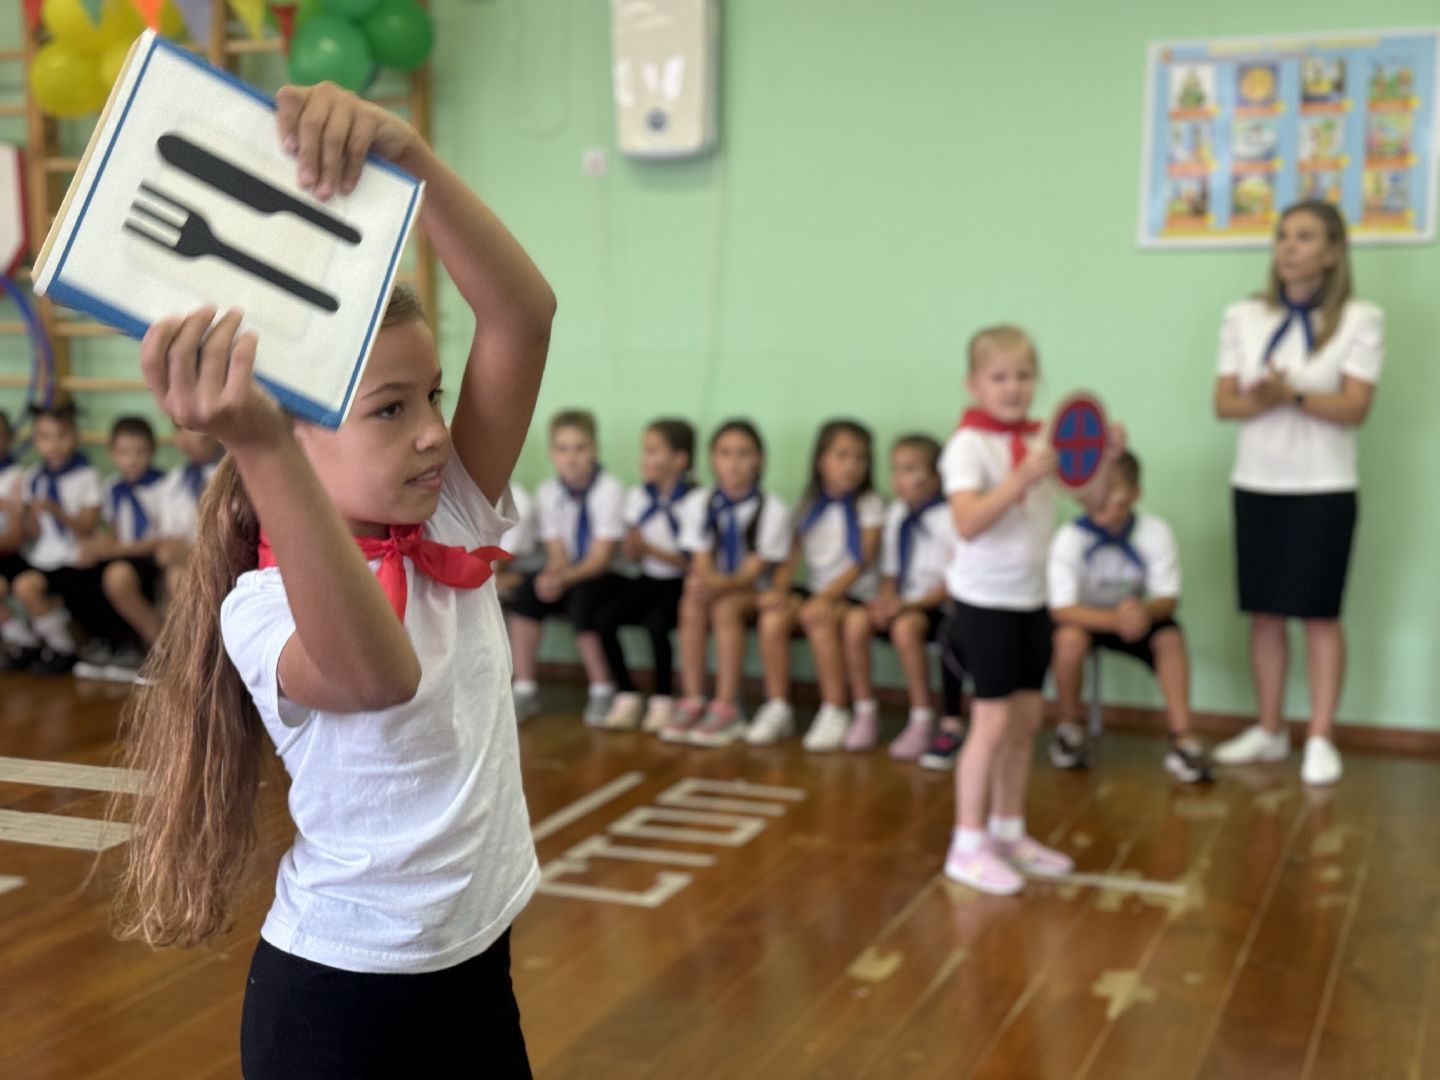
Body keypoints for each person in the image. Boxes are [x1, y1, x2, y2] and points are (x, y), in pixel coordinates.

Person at [110, 83, 554, 1078]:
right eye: (389, 410)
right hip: (343, 1006)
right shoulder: (261, 604)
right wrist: (258, 440)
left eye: (432, 396)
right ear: (295, 437)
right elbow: (374, 676)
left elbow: (522, 316)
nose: (436, 429)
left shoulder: (448, 509)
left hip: (475, 961)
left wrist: (409, 159)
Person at [939, 326, 1121, 896]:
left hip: (1031, 600)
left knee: (1024, 723)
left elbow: (1092, 498)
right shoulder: (968, 447)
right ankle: (965, 845)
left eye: (1022, 375)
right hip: (984, 602)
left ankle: (1008, 831)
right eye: (998, 376)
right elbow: (967, 523)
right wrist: (1019, 479)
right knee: (990, 723)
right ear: (974, 384)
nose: (1012, 387)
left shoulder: (1046, 440)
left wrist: (1106, 458)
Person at [1210, 200, 1382, 786]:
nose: (1288, 247)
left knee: (1318, 614)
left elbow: (1356, 407)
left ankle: (1321, 735)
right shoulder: (1242, 315)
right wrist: (1261, 397)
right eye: (1283, 236)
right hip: (1257, 481)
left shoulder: (1362, 318)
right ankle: (1268, 728)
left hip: (1323, 486)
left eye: (1305, 237)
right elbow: (1224, 403)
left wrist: (1295, 396)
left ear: (1332, 252)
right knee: (1263, 612)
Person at [1046, 450, 1212, 783]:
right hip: (1088, 619)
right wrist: (1114, 620)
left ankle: (1182, 737)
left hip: (1137, 617)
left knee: (1170, 637)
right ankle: (1068, 730)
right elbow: (1061, 608)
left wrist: (1143, 612)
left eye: (1116, 498)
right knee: (1068, 639)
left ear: (1135, 494)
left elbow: (1167, 598)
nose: (1104, 506)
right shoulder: (1069, 538)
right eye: (1096, 496)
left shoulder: (1155, 531)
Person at [757, 419, 884, 752]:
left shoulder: (869, 503)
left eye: (860, 458)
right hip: (815, 591)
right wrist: (780, 591)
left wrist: (825, 598)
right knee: (772, 619)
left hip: (852, 594)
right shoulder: (808, 504)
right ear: (820, 461)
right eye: (842, 456)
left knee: (818, 618)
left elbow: (863, 560)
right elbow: (790, 557)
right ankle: (778, 705)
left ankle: (835, 708)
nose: (852, 465)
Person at [666, 419, 791, 746]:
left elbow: (752, 572)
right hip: (715, 585)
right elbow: (700, 559)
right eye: (725, 453)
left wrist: (713, 584)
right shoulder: (699, 503)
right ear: (712, 460)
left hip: (753, 592)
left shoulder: (773, 508)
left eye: (744, 454)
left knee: (723, 608)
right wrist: (704, 583)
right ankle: (693, 697)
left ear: (759, 460)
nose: (734, 463)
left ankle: (727, 704)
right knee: (690, 601)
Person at [843, 434, 963, 758]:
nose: (898, 478)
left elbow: (953, 583)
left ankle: (922, 717)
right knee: (856, 621)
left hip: (938, 606)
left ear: (935, 477)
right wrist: (885, 600)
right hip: (904, 600)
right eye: (895, 469)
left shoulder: (952, 516)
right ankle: (865, 710)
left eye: (909, 469)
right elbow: (890, 574)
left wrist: (907, 605)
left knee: (906, 628)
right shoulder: (897, 514)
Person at [506, 409, 626, 725]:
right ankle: (525, 687)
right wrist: (552, 575)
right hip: (571, 570)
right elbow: (557, 552)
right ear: (552, 453)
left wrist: (564, 578)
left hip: (608, 574)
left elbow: (601, 559)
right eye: (562, 449)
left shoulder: (609, 490)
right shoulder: (548, 492)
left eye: (579, 448)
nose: (570, 458)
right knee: (529, 593)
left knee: (582, 599)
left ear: (595, 450)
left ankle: (602, 688)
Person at [594, 418, 695, 732]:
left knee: (656, 622)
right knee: (604, 617)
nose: (644, 459)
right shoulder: (639, 497)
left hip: (680, 583)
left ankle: (663, 697)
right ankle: (626, 691)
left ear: (680, 460)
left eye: (653, 451)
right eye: (644, 451)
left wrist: (649, 549)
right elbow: (634, 554)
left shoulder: (695, 500)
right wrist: (634, 548)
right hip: (649, 578)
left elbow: (694, 561)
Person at [10, 401, 101, 675]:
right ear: (36, 440)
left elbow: (86, 527)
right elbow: (35, 532)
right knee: (24, 587)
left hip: (74, 557)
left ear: (74, 436)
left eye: (62, 435)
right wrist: (25, 515)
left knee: (66, 594)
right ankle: (58, 646)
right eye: (45, 437)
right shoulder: (34, 475)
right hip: (44, 555)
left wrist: (57, 511)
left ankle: (70, 646)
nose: (54, 444)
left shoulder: (86, 475)